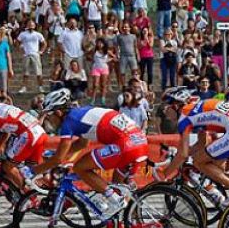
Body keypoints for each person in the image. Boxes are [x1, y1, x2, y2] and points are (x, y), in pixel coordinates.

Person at [32, 89, 149, 218]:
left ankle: (116, 200)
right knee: (117, 189)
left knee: (80, 167)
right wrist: (59, 156)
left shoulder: (68, 122)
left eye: (50, 115)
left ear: (59, 112)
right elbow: (82, 144)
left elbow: (58, 159)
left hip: (126, 145)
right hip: (140, 142)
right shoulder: (80, 114)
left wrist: (32, 172)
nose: (49, 120)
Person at [157, 87, 229, 205]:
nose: (164, 111)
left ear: (176, 106)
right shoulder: (195, 108)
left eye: (166, 107)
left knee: (198, 162)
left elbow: (182, 154)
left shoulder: (184, 117)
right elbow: (201, 143)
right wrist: (180, 153)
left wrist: (164, 175)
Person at [17, 20, 47, 93]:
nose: (31, 26)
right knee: (25, 73)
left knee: (38, 72)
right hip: (26, 54)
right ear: (27, 25)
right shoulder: (23, 34)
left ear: (34, 26)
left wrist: (41, 51)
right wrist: (21, 50)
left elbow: (44, 43)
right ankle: (24, 87)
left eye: (32, 24)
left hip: (35, 54)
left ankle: (40, 87)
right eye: (29, 24)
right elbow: (17, 42)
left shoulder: (38, 34)